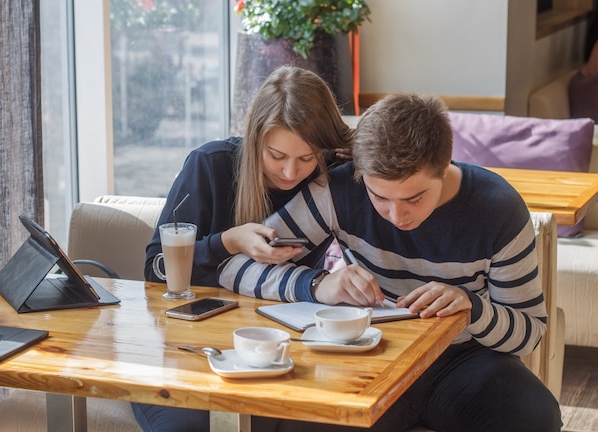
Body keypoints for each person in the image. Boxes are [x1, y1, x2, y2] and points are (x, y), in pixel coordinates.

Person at [218, 93, 562, 431]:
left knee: (535, 415)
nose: (397, 215)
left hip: (463, 361)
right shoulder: (337, 190)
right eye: (379, 197)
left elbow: (528, 335)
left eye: (414, 198)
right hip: (370, 356)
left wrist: (471, 308)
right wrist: (317, 285)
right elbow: (234, 267)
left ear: (444, 168)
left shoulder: (498, 208)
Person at [134, 65, 354, 431]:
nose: (289, 173)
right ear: (255, 138)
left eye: (306, 157)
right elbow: (155, 267)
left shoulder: (329, 175)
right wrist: (227, 242)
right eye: (277, 156)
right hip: (194, 343)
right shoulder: (210, 166)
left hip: (279, 344)